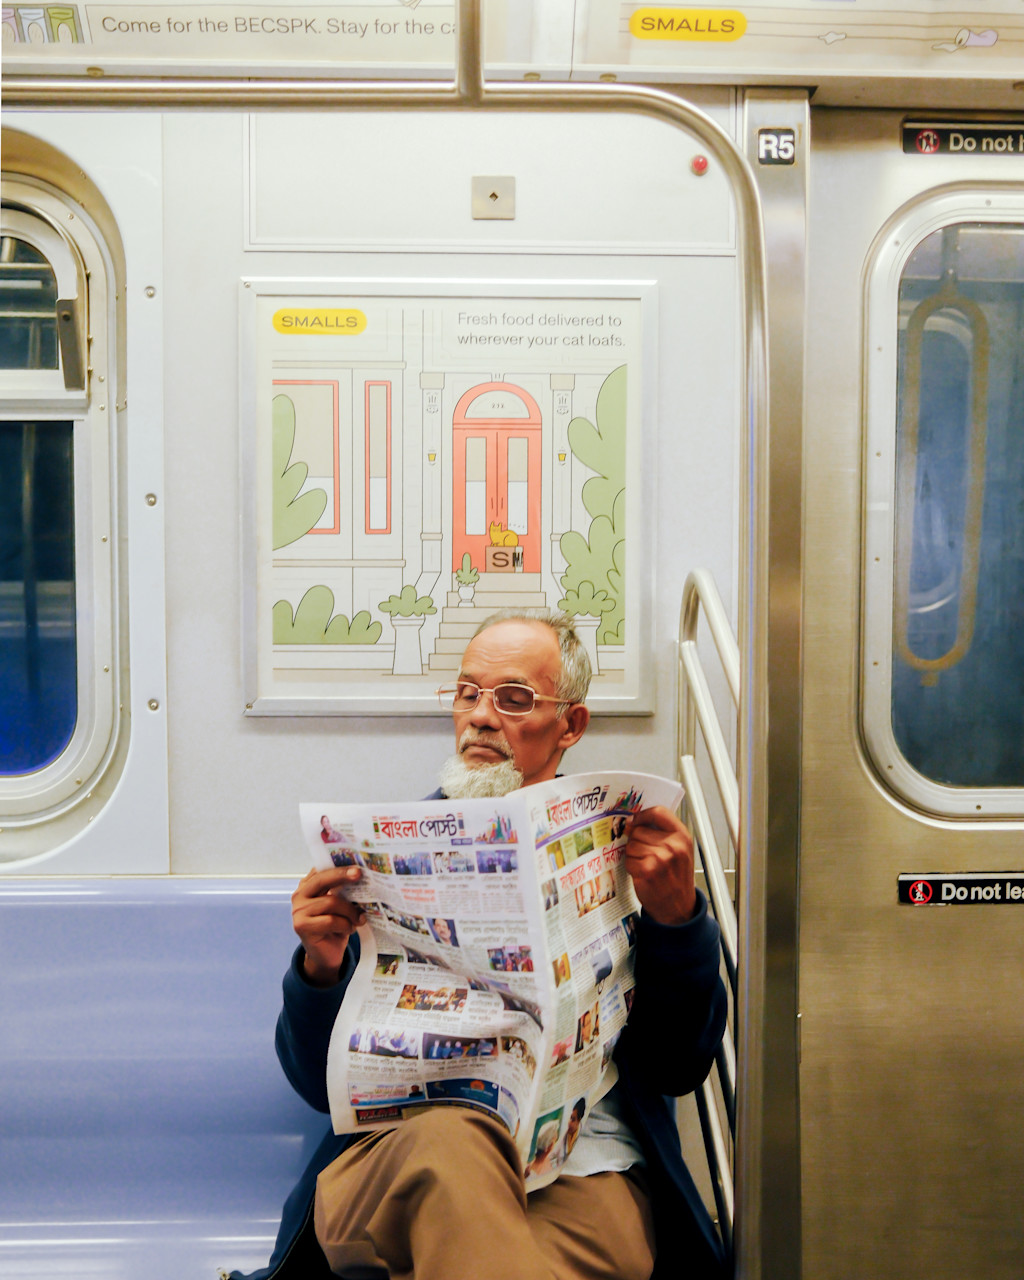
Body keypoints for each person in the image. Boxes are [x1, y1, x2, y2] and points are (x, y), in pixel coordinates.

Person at [230, 608, 727, 1280]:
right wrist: (320, 967)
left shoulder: (628, 856)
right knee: (455, 1137)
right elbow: (320, 1087)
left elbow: (678, 1067)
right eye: (468, 694)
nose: (481, 717)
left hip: (585, 1172)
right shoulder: (386, 857)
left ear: (570, 726)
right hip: (400, 1165)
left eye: (514, 699)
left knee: (478, 1255)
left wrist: (677, 921)